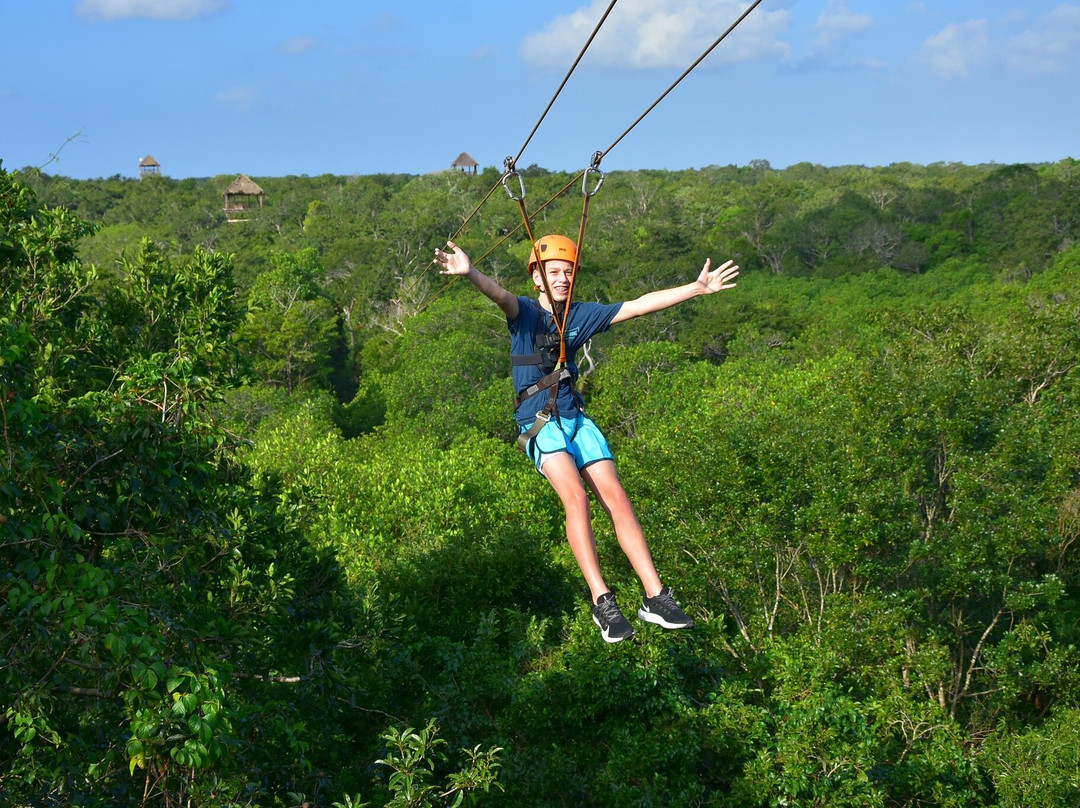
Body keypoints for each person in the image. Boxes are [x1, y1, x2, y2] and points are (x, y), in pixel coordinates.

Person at [434, 235, 739, 643]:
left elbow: (638, 305)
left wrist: (696, 289)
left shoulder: (580, 315)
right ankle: (602, 601)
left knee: (617, 497)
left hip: (576, 418)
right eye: (554, 273)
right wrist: (471, 273)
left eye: (568, 273)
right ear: (538, 279)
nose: (562, 279)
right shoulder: (524, 313)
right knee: (576, 497)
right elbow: (499, 294)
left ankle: (655, 596)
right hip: (540, 422)